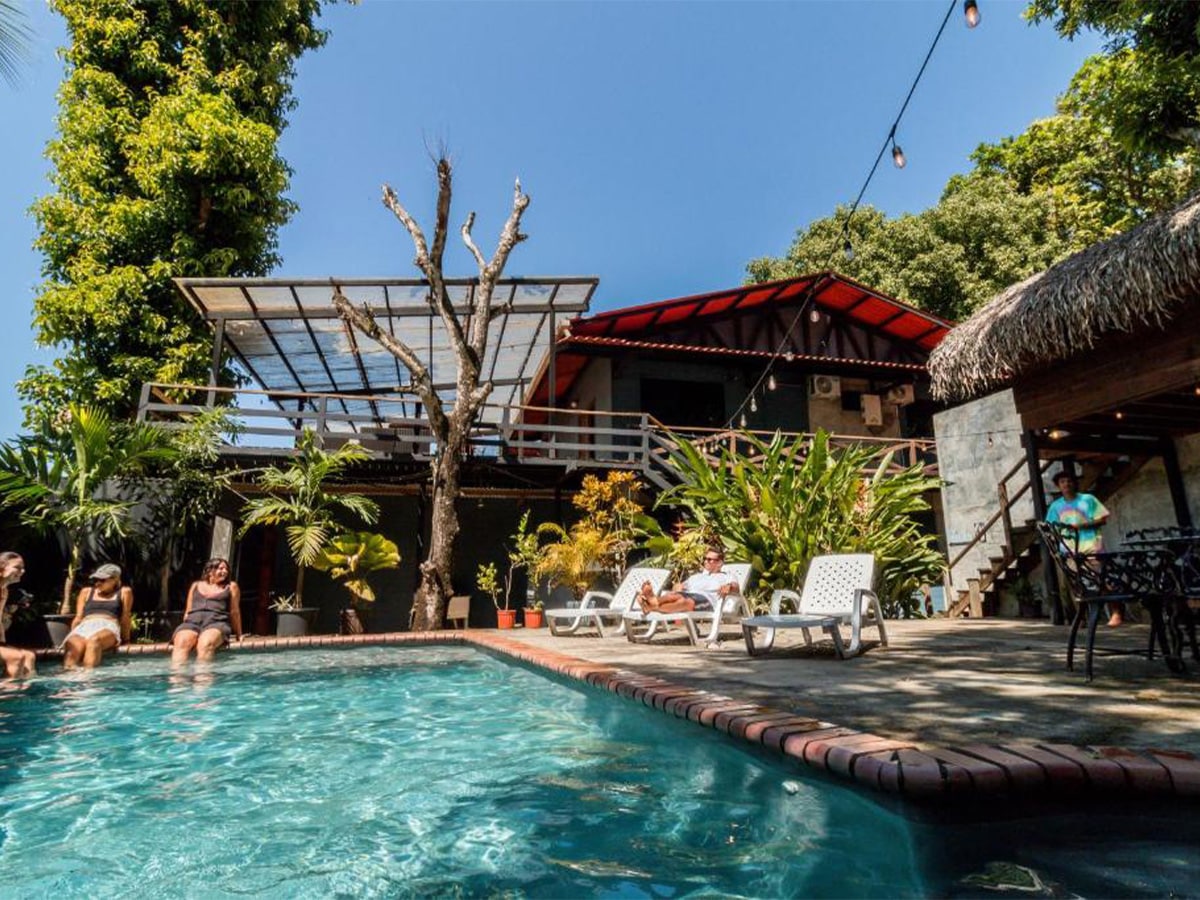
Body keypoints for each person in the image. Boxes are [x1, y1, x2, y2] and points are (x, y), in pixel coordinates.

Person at [1046, 468, 1120, 625]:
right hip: (1069, 550)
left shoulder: (1088, 499)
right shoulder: (1055, 506)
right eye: (1062, 482)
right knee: (1076, 585)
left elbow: (1102, 519)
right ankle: (1082, 617)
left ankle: (1116, 612)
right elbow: (1051, 528)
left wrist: (1081, 526)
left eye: (1069, 481)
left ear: (1074, 483)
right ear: (1058, 486)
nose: (1066, 484)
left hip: (1092, 546)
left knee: (1102, 580)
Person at [171, 558, 243, 663]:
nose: (225, 571)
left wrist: (239, 634)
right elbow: (188, 611)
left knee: (205, 644)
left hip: (217, 622)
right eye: (220, 568)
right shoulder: (195, 585)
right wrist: (186, 627)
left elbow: (234, 612)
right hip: (192, 622)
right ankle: (178, 677)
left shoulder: (231, 587)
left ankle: (203, 677)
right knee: (182, 642)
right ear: (210, 571)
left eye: (226, 569)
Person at [64, 563, 133, 669]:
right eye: (96, 580)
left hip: (108, 626)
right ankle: (69, 681)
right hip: (85, 625)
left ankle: (88, 678)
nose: (97, 583)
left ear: (114, 579)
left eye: (102, 580)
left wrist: (126, 640)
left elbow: (125, 617)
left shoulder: (124, 592)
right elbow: (78, 617)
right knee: (73, 643)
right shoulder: (86, 592)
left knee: (94, 640)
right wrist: (72, 633)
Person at [638, 546, 740, 613]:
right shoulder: (697, 577)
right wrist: (677, 586)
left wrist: (729, 586)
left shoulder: (726, 576)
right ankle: (653, 602)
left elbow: (736, 588)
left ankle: (651, 605)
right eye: (705, 558)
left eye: (709, 559)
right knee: (674, 595)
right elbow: (677, 588)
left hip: (707, 599)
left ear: (719, 563)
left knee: (686, 602)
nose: (705, 561)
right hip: (690, 594)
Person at [0, 553, 36, 679]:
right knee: (15, 657)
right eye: (17, 567)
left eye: (23, 568)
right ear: (1, 568)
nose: (23, 571)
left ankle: (24, 693)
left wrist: (2, 644)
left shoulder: (4, 590)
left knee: (29, 656)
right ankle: (8, 695)